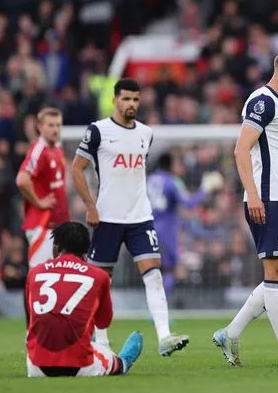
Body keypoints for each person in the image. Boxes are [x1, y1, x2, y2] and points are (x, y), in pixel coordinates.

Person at [212, 49, 278, 368]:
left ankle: (231, 332)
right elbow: (241, 149)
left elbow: (275, 158)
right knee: (275, 273)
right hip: (266, 199)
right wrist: (254, 195)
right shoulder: (263, 101)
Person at [71, 78, 189, 356]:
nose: (131, 104)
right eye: (126, 99)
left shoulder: (146, 133)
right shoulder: (98, 130)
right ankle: (101, 341)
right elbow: (77, 169)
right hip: (108, 218)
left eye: (136, 100)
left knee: (154, 275)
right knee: (101, 282)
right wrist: (90, 205)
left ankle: (164, 337)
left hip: (140, 217)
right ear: (115, 100)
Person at [25, 221, 143, 377]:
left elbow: (33, 315)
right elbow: (103, 322)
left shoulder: (34, 273)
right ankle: (123, 363)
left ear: (56, 247)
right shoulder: (99, 276)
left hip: (36, 367)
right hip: (79, 367)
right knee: (106, 355)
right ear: (86, 251)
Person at [147, 152, 221, 297]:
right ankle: (159, 309)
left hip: (148, 229)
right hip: (167, 231)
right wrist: (205, 188)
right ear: (170, 165)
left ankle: (152, 304)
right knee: (170, 269)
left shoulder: (149, 180)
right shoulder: (172, 181)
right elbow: (189, 203)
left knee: (152, 270)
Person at [16, 107, 69, 268]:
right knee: (40, 277)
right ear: (40, 127)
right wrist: (39, 202)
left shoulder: (57, 149)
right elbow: (22, 179)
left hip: (58, 225)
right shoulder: (39, 150)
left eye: (58, 125)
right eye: (50, 125)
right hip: (42, 226)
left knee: (56, 277)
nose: (55, 129)